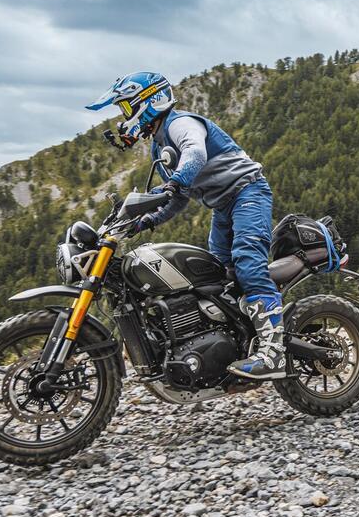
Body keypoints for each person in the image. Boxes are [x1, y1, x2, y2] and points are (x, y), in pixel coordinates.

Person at [86, 71, 287, 379]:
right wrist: (144, 221)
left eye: (126, 108)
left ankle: (274, 355)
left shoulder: (180, 124)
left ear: (148, 101)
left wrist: (176, 181)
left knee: (248, 265)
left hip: (248, 193)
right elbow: (178, 198)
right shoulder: (158, 146)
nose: (124, 117)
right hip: (223, 207)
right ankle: (238, 341)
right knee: (216, 278)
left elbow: (195, 152)